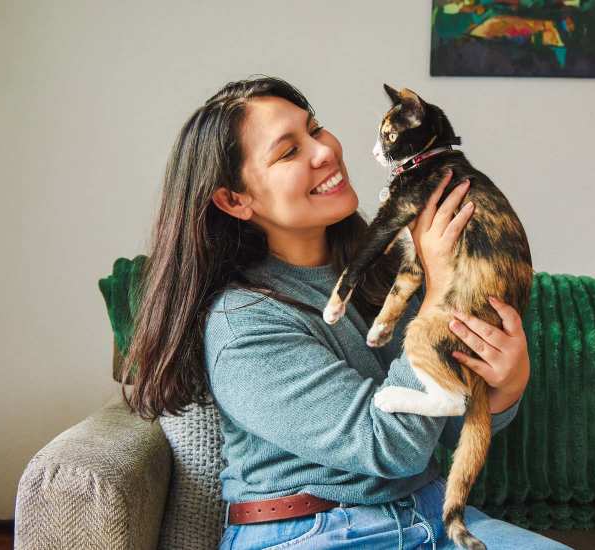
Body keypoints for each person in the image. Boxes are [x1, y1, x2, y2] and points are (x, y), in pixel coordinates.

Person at [123, 76, 570, 550]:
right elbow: (392, 446)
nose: (325, 151)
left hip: (431, 513)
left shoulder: (388, 271)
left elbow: (445, 425)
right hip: (314, 532)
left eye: (315, 128)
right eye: (289, 152)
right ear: (235, 200)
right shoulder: (243, 323)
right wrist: (440, 291)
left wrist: (504, 386)